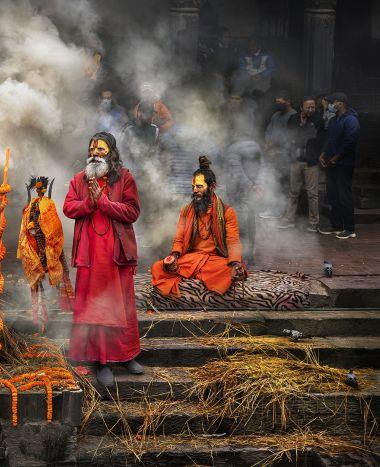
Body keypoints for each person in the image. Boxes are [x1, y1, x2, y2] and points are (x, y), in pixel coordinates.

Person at [63, 132, 142, 388]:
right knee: (96, 308)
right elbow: (68, 208)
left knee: (123, 306)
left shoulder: (125, 177)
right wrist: (89, 202)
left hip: (117, 255)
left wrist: (105, 203)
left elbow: (132, 211)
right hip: (90, 256)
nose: (95, 153)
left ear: (111, 152)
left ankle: (127, 356)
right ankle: (101, 361)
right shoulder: (79, 179)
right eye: (92, 149)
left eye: (101, 149)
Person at [152, 156, 246, 297]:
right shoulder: (186, 211)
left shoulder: (227, 212)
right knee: (157, 267)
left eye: (199, 186)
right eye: (194, 187)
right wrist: (174, 256)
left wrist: (235, 264)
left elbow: (233, 240)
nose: (195, 190)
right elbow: (179, 239)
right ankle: (200, 275)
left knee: (227, 269)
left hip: (214, 261)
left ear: (212, 187)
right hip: (191, 259)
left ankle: (195, 274)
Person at [17, 176, 73, 332]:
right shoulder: (32, 204)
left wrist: (43, 230)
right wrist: (30, 226)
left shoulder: (48, 203)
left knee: (61, 274)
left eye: (40, 188)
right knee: (36, 281)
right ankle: (40, 318)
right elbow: (26, 220)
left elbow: (53, 224)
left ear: (44, 189)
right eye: (37, 188)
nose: (39, 191)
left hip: (49, 244)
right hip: (34, 245)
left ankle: (65, 306)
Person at [221, 93, 262, 264]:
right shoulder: (255, 146)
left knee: (238, 222)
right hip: (251, 189)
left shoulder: (233, 148)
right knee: (251, 220)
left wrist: (249, 185)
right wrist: (257, 184)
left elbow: (237, 172)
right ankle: (250, 255)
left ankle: (240, 256)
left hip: (239, 191)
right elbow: (261, 167)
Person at [277, 96, 323, 232]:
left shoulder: (318, 119)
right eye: (308, 107)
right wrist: (301, 125)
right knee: (293, 192)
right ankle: (289, 219)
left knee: (312, 193)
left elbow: (314, 136)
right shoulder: (293, 119)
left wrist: (304, 125)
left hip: (311, 162)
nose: (310, 109)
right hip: (296, 160)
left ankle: (313, 222)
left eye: (313, 107)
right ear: (301, 108)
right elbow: (290, 136)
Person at [318, 92, 360, 239]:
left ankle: (349, 229)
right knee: (333, 195)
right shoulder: (334, 120)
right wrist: (323, 153)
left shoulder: (351, 120)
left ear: (340, 103)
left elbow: (350, 142)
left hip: (343, 164)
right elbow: (329, 139)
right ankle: (336, 226)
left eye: (332, 102)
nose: (329, 105)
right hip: (331, 163)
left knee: (344, 196)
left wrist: (336, 158)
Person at [259, 91, 296, 219]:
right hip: (273, 154)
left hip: (285, 155)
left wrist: (274, 144)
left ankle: (281, 210)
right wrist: (267, 143)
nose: (278, 102)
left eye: (280, 99)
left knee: (283, 184)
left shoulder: (293, 116)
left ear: (288, 101)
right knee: (273, 181)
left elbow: (290, 136)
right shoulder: (276, 115)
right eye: (277, 99)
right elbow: (269, 131)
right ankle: (273, 208)